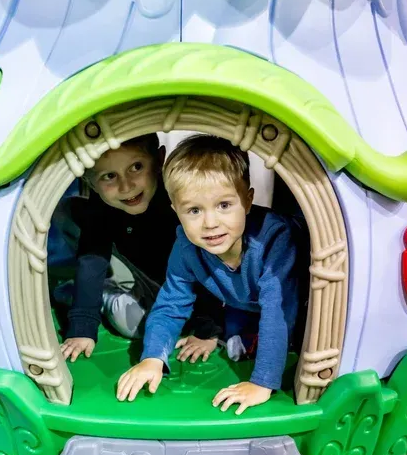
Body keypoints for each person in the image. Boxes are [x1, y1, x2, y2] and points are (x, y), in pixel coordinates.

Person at [116, 134, 304, 415]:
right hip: (246, 302)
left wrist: (262, 383)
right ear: (176, 212)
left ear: (248, 201)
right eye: (193, 210)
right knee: (234, 329)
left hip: (300, 302)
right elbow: (171, 304)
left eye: (224, 205)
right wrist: (152, 358)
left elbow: (278, 312)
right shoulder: (186, 245)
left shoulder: (275, 239)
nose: (210, 223)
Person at [58, 126, 222, 363]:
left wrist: (208, 329)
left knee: (134, 326)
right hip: (133, 257)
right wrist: (83, 324)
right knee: (65, 212)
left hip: (175, 287)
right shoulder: (101, 205)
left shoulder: (181, 201)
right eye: (109, 176)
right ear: (89, 181)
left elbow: (208, 264)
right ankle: (87, 291)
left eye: (136, 167)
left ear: (159, 161)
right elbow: (92, 257)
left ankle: (101, 293)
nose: (127, 186)